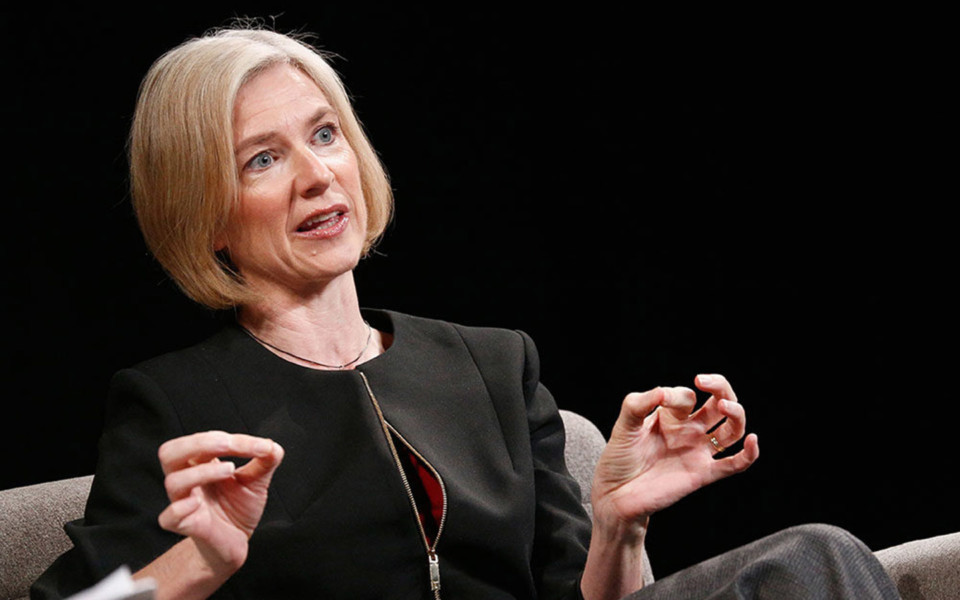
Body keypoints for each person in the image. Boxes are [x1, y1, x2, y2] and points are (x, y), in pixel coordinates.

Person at [32, 26, 899, 600]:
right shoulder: (175, 405)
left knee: (813, 560)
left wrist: (619, 527)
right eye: (263, 158)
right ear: (205, 209)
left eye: (324, 134)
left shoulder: (491, 364)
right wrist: (201, 561)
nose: (316, 175)